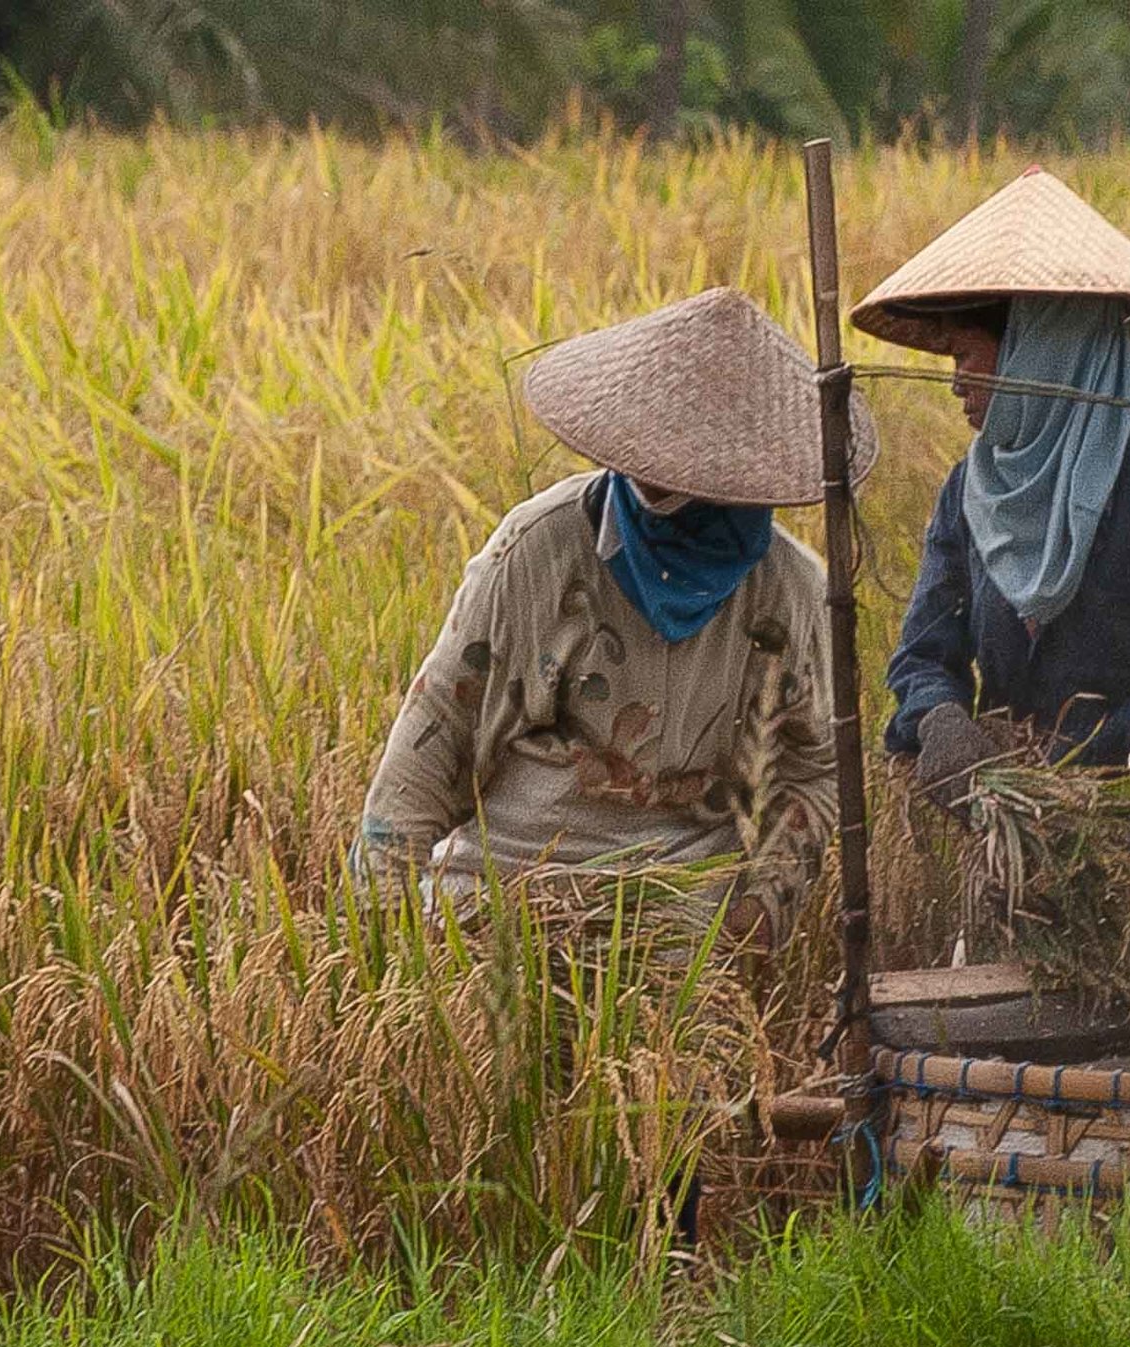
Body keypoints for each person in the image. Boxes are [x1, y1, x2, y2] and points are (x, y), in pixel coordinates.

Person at [351, 286, 877, 952]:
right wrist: (379, 931)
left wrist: (760, 910)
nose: (649, 483)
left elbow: (816, 766)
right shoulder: (538, 552)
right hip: (512, 893)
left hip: (683, 917)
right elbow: (436, 733)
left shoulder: (792, 594)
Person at [852, 167, 1130, 935]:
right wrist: (936, 716)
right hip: (1020, 872)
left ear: (1046, 361)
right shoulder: (971, 492)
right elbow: (923, 653)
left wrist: (1068, 769)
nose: (956, 382)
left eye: (972, 356)